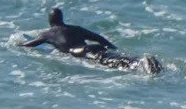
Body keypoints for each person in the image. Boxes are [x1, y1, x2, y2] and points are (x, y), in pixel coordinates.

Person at [20, 8, 161, 74]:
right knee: (112, 57)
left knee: (108, 62)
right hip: (94, 47)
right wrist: (112, 47)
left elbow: (30, 44)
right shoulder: (76, 28)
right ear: (62, 18)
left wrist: (17, 44)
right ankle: (140, 61)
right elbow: (99, 38)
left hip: (80, 52)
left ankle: (139, 65)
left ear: (50, 21)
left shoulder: (47, 34)